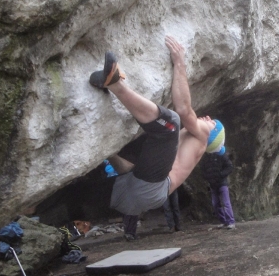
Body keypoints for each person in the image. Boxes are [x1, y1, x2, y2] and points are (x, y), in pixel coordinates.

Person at [90, 36, 220, 240]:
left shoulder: (202, 135)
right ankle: (104, 153)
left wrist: (180, 63)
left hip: (149, 189)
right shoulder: (193, 144)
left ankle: (114, 84)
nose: (209, 119)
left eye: (214, 123)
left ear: (213, 134)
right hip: (133, 194)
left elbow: (184, 110)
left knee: (170, 125)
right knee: (123, 161)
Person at [200, 134, 236, 230]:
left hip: (222, 183)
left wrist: (220, 175)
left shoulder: (221, 154)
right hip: (212, 184)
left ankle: (231, 222)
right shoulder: (206, 157)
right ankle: (223, 221)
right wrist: (207, 177)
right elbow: (202, 169)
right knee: (216, 204)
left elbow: (229, 167)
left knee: (226, 203)